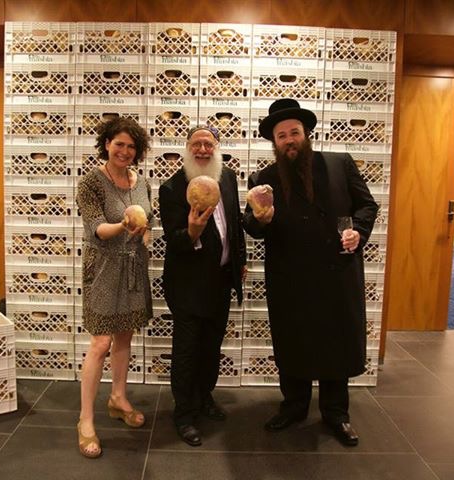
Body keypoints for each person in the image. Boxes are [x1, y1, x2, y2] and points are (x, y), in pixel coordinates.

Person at [243, 99, 378, 447]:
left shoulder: (338, 164)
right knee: (293, 342)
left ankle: (336, 413)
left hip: (336, 273)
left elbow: (367, 205)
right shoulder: (263, 180)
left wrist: (358, 232)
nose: (289, 140)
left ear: (306, 134)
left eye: (294, 133)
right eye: (282, 135)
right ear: (274, 142)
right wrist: (260, 220)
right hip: (289, 277)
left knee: (336, 342)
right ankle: (294, 406)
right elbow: (251, 226)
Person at [158, 125, 247, 447]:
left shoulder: (228, 179)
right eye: (196, 144)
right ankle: (184, 414)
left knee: (211, 347)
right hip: (188, 285)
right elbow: (173, 240)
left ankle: (204, 397)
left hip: (221, 281)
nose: (203, 150)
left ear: (217, 148)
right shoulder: (172, 188)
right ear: (187, 148)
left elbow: (234, 225)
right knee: (187, 351)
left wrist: (240, 261)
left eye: (209, 144)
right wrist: (192, 232)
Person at [75, 117, 153, 459]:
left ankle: (118, 398)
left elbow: (148, 219)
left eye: (131, 146)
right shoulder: (91, 182)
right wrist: (123, 224)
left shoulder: (142, 182)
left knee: (124, 335)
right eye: (119, 144)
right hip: (104, 268)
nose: (125, 151)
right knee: (100, 343)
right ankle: (85, 420)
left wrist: (144, 233)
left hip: (134, 267)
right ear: (106, 144)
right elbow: (96, 228)